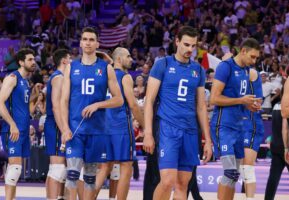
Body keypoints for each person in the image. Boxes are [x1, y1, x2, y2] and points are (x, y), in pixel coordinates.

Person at [143, 26, 212, 200]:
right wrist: (148, 133)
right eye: (186, 44)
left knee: (183, 184)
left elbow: (201, 107)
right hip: (167, 128)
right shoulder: (163, 64)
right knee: (167, 181)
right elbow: (149, 101)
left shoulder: (198, 70)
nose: (190, 49)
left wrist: (208, 140)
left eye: (193, 46)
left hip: (190, 131)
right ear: (177, 42)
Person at [60, 27, 123, 200]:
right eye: (85, 39)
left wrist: (98, 104)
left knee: (89, 178)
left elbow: (119, 100)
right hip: (75, 130)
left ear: (97, 43)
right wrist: (65, 128)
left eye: (91, 39)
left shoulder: (106, 68)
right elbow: (63, 101)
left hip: (97, 130)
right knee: (72, 175)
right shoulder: (71, 68)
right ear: (80, 43)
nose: (88, 42)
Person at [210, 38, 261, 200]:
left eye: (257, 58)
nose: (254, 61)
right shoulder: (225, 67)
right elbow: (214, 99)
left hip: (239, 126)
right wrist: (241, 101)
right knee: (230, 172)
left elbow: (240, 98)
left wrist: (249, 105)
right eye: (252, 57)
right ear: (243, 51)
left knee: (235, 175)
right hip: (223, 125)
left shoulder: (246, 70)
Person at [94, 47, 145, 200]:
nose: (131, 59)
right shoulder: (125, 77)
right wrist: (145, 126)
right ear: (118, 59)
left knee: (104, 168)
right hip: (121, 127)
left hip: (104, 127)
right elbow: (133, 105)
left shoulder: (104, 76)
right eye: (128, 56)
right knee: (126, 168)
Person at [0, 48, 36, 200]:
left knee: (16, 170)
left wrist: (36, 96)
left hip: (23, 129)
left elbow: (22, 106)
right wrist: (12, 125)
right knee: (15, 169)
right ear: (21, 62)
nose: (34, 62)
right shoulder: (12, 77)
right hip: (13, 130)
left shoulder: (26, 81)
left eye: (34, 59)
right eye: (30, 60)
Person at [44, 49, 71, 200]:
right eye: (70, 59)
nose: (72, 62)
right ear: (64, 61)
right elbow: (56, 106)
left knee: (61, 170)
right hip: (55, 125)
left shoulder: (61, 77)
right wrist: (64, 130)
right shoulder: (58, 78)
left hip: (58, 124)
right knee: (57, 169)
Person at [240, 68, 264, 200]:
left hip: (251, 123)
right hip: (237, 124)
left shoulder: (251, 72)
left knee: (247, 167)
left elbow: (257, 103)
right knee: (236, 168)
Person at [265, 92, 289, 200]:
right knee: (273, 178)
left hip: (275, 146)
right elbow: (285, 129)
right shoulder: (288, 108)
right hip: (288, 148)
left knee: (273, 179)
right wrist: (287, 148)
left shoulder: (276, 105)